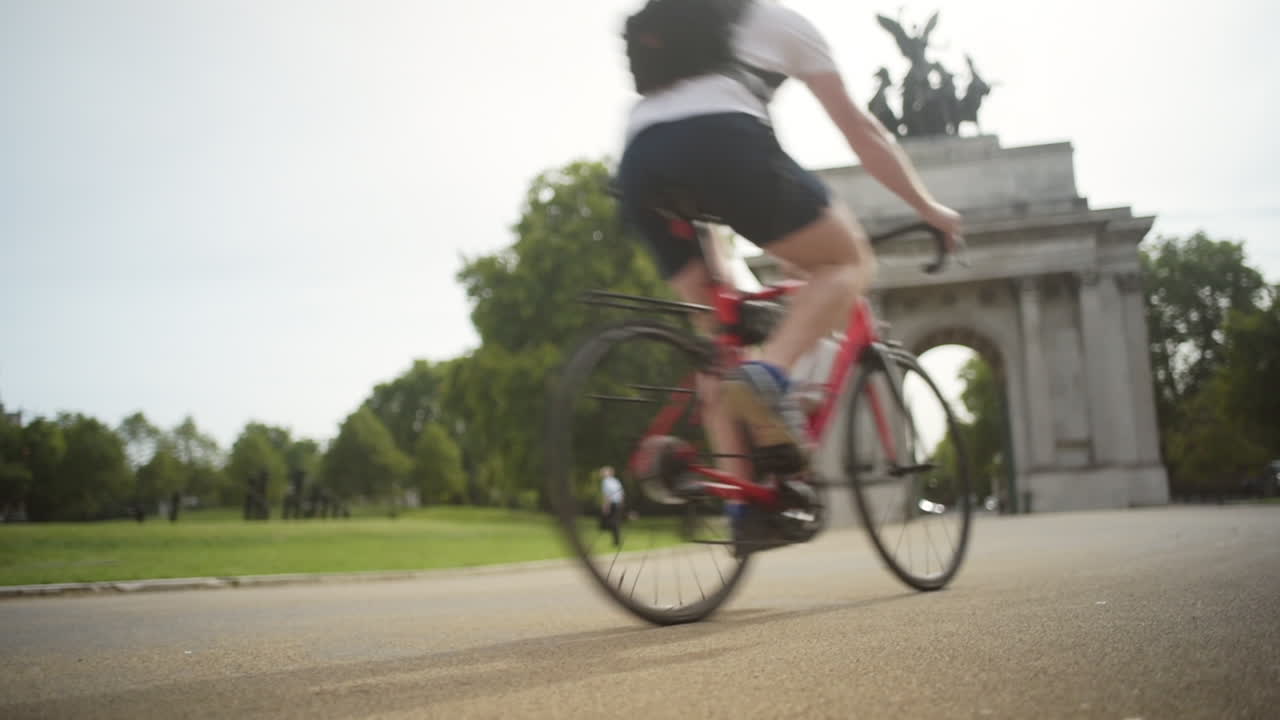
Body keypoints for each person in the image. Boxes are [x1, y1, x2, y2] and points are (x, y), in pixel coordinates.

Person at [617, 0, 963, 489]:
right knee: (849, 260)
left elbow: (679, 134)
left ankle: (745, 504)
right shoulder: (785, 24)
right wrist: (930, 210)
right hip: (723, 142)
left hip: (640, 163)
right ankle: (771, 373)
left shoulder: (682, 25)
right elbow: (862, 132)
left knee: (720, 345)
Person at [600, 466, 625, 547]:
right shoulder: (616, 481)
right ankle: (617, 541)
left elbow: (607, 495)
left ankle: (616, 541)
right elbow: (622, 493)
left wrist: (606, 506)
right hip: (618, 503)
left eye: (604, 472)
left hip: (612, 503)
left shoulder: (606, 481)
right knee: (616, 522)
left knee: (612, 522)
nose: (602, 473)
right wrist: (621, 503)